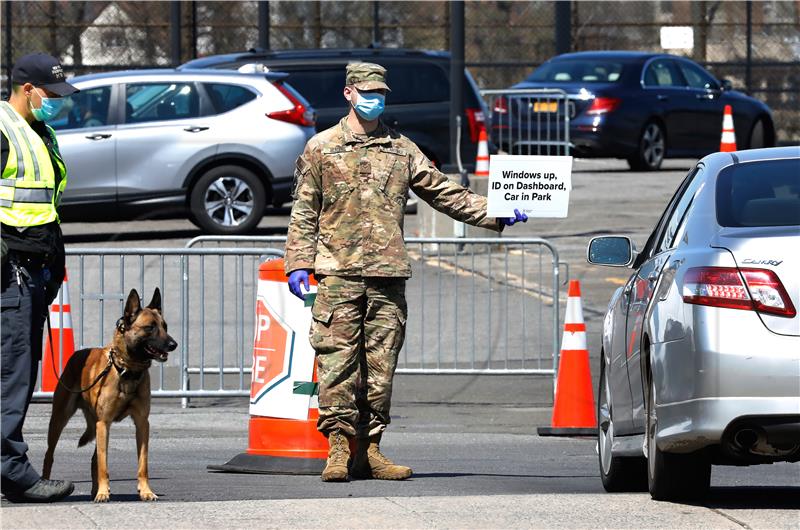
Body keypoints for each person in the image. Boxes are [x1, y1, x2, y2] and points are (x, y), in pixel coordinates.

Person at [284, 62, 528, 482]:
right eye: (366, 91)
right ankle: (339, 451)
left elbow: (443, 191)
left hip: (386, 274)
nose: (374, 98)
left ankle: (371, 450)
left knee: (381, 367)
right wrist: (298, 262)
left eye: (380, 92)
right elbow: (304, 210)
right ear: (349, 93)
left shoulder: (402, 149)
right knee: (337, 363)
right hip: (338, 273)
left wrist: (496, 212)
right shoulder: (321, 148)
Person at [1, 53, 77, 503]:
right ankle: (12, 471)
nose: (56, 104)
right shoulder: (6, 129)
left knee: (17, 372)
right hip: (11, 273)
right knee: (12, 374)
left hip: (32, 270)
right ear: (27, 89)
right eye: (50, 94)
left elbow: (44, 207)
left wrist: (54, 262)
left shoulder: (40, 133)